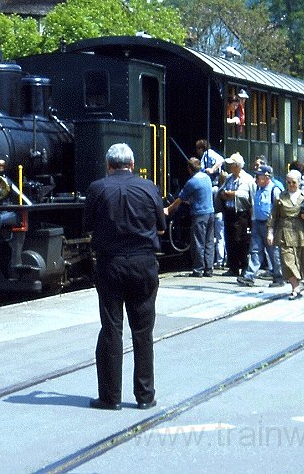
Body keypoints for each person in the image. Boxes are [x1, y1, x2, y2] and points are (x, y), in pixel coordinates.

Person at [84, 143, 166, 410]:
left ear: (109, 165)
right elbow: (162, 227)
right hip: (144, 264)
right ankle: (144, 396)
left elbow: (87, 226)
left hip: (111, 264)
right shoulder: (149, 187)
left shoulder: (97, 188)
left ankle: (111, 397)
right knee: (143, 332)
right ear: (132, 164)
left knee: (111, 329)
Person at [268, 169, 304, 299]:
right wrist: (270, 233)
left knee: (301, 260)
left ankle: (300, 281)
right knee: (287, 260)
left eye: (293, 182)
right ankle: (295, 287)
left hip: (301, 232)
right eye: (288, 182)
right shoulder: (280, 197)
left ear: (299, 182)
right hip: (285, 232)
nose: (290, 185)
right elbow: (273, 216)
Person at [166, 157, 216, 277]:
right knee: (209, 242)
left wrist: (169, 209)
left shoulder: (192, 182)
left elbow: (180, 199)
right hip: (210, 213)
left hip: (199, 214)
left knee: (198, 242)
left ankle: (198, 269)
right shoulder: (207, 178)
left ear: (189, 169)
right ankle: (208, 269)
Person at [238, 164, 283, 287]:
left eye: (259, 176)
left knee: (274, 252)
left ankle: (279, 277)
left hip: (270, 225)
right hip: (258, 223)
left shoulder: (275, 190)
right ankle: (249, 276)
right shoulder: (258, 189)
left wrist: (272, 229)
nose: (256, 178)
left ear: (266, 177)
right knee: (255, 250)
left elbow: (278, 211)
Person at [220, 153, 254, 276]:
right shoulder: (229, 177)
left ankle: (244, 266)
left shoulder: (246, 178)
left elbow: (244, 195)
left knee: (240, 240)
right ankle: (233, 267)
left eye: (231, 164)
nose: (229, 166)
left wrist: (232, 194)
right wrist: (225, 193)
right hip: (229, 212)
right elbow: (222, 190)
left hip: (241, 214)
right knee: (229, 240)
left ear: (237, 165)